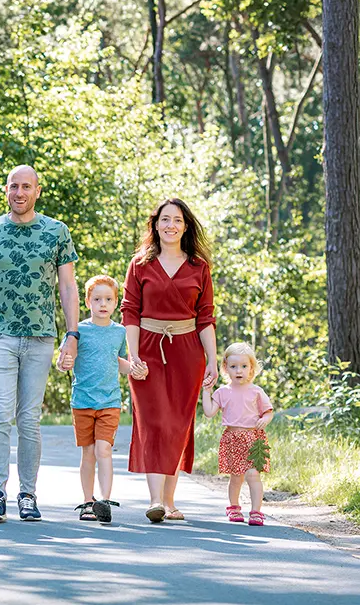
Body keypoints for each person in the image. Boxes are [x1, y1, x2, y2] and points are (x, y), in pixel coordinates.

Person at [0, 165, 80, 523]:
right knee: (0, 417)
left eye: (26, 186)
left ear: (37, 191)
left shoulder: (56, 231)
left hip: (41, 337)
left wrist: (71, 335)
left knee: (28, 420)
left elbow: (68, 287)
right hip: (0, 335)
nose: (20, 192)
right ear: (6, 190)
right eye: (14, 186)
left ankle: (27, 494)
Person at [121, 197, 218, 523]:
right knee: (152, 422)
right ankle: (156, 501)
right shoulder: (140, 265)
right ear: (156, 224)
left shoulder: (198, 267)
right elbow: (130, 313)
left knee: (177, 423)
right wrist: (133, 356)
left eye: (177, 220)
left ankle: (170, 501)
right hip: (147, 348)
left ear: (186, 225)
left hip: (187, 352)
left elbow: (205, 318)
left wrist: (213, 361)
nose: (171, 225)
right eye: (165, 219)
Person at [66, 275, 130, 524]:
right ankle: (88, 501)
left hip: (110, 401)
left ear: (116, 302)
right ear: (88, 301)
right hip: (82, 400)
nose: (103, 304)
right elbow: (66, 359)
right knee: (89, 452)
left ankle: (104, 500)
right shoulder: (79, 330)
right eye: (97, 299)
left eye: (108, 299)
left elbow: (121, 363)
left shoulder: (119, 332)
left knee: (104, 449)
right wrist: (65, 361)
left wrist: (135, 367)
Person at [201, 342, 273, 526]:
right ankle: (234, 507)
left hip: (253, 438)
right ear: (225, 367)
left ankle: (256, 511)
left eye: (244, 366)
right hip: (232, 438)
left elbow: (268, 411)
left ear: (251, 368)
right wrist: (206, 392)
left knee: (253, 475)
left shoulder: (256, 391)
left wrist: (265, 419)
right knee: (236, 476)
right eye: (233, 367)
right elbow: (209, 412)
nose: (238, 371)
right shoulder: (223, 392)